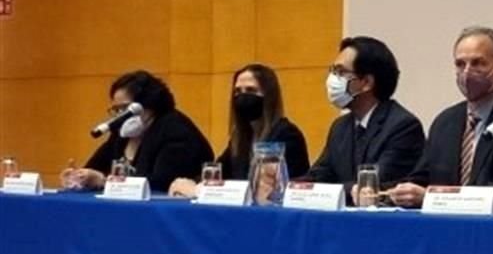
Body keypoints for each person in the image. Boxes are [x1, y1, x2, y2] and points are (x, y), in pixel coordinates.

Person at [388, 26, 493, 208]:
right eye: (460, 64)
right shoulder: (445, 122)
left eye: (478, 63)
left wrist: (433, 198)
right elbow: (422, 178)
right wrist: (395, 193)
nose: (467, 72)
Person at [303, 37, 425, 194]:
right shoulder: (340, 127)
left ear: (366, 82)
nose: (332, 79)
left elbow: (372, 186)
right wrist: (290, 186)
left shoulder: (403, 126)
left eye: (341, 72)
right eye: (332, 71)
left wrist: (340, 190)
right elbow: (319, 176)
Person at [168, 64, 310, 198]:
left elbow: (264, 190)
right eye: (237, 92)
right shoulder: (242, 138)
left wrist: (198, 190)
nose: (242, 97)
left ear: (269, 97)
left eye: (250, 90)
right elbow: (219, 172)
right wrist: (193, 184)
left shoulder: (287, 135)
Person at [61, 70, 213, 192]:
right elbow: (95, 168)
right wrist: (79, 177)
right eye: (116, 109)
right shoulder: (121, 132)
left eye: (125, 109)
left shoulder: (175, 130)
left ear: (148, 104)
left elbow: (159, 183)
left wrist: (103, 181)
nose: (120, 115)